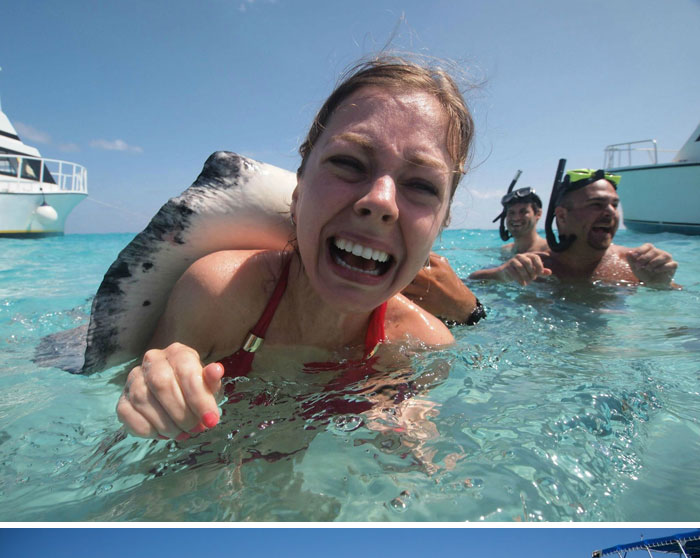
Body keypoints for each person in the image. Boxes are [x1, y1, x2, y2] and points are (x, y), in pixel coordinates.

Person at [115, 56, 475, 440]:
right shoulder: (220, 295)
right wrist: (155, 390)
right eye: (349, 162)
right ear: (298, 189)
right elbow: (137, 435)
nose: (381, 201)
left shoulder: (423, 348)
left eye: (421, 186)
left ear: (441, 224)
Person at [469, 167, 679, 288]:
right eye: (596, 205)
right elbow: (469, 285)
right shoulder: (539, 267)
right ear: (561, 215)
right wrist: (502, 274)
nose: (610, 212)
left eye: (614, 205)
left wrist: (661, 286)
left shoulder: (635, 266)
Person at [492, 186, 547, 255]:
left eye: (523, 212)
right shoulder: (505, 250)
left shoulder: (549, 251)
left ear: (538, 214)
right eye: (511, 213)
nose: (516, 218)